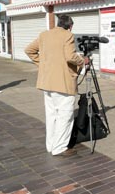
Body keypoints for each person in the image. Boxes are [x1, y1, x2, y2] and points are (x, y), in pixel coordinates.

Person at [25, 14, 87, 157]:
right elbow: (70, 56)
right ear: (70, 26)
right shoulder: (67, 35)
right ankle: (59, 147)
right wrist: (82, 61)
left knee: (51, 115)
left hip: (47, 82)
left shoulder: (44, 35)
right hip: (63, 83)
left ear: (59, 23)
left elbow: (29, 50)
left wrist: (43, 65)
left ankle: (51, 145)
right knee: (65, 116)